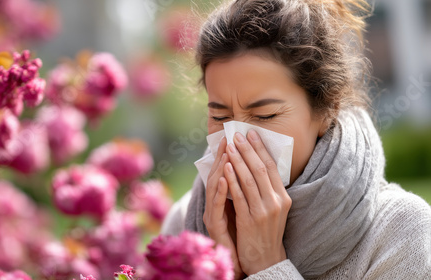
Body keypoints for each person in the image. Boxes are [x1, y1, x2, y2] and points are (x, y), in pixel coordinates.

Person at [160, 0, 431, 279]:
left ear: (327, 110)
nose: (237, 139)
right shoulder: (183, 222)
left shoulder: (399, 231)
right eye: (220, 117)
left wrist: (267, 266)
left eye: (265, 115)